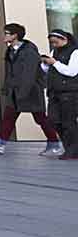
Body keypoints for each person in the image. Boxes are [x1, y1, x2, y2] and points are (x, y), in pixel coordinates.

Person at [0, 23, 63, 156]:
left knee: (40, 118)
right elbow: (9, 71)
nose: (4, 36)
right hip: (16, 90)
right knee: (9, 116)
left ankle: (54, 144)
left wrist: (23, 92)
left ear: (15, 35)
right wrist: (7, 87)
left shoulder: (29, 51)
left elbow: (29, 74)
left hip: (30, 91)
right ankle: (0, 143)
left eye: (6, 33)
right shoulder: (10, 50)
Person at [41, 30, 78, 159]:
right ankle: (71, 148)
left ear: (64, 39)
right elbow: (49, 70)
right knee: (53, 121)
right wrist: (45, 64)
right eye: (52, 43)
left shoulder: (75, 52)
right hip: (54, 92)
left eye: (56, 42)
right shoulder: (54, 52)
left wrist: (54, 63)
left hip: (70, 93)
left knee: (68, 122)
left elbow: (72, 72)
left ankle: (72, 150)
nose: (54, 45)